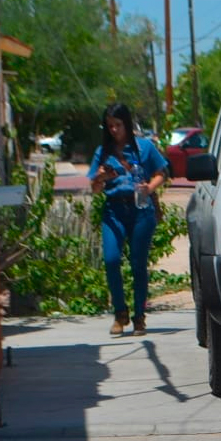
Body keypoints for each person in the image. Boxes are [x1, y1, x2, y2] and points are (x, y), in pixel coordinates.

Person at [88, 103, 168, 336]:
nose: (114, 130)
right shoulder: (102, 152)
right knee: (112, 259)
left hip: (140, 210)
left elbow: (162, 172)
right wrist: (100, 178)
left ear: (127, 124)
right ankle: (119, 312)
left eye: (118, 125)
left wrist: (149, 187)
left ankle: (139, 317)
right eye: (110, 126)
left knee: (138, 263)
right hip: (114, 210)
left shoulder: (144, 147)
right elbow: (94, 189)